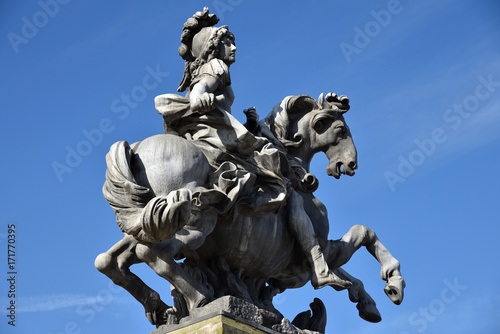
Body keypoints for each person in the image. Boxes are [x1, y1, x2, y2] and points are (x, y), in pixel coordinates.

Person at [154, 7, 350, 290]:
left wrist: (248, 123)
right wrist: (202, 99)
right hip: (217, 140)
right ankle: (318, 266)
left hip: (205, 135)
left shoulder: (201, 69)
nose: (233, 47)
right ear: (214, 47)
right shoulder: (216, 67)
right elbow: (198, 97)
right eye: (228, 42)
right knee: (287, 189)